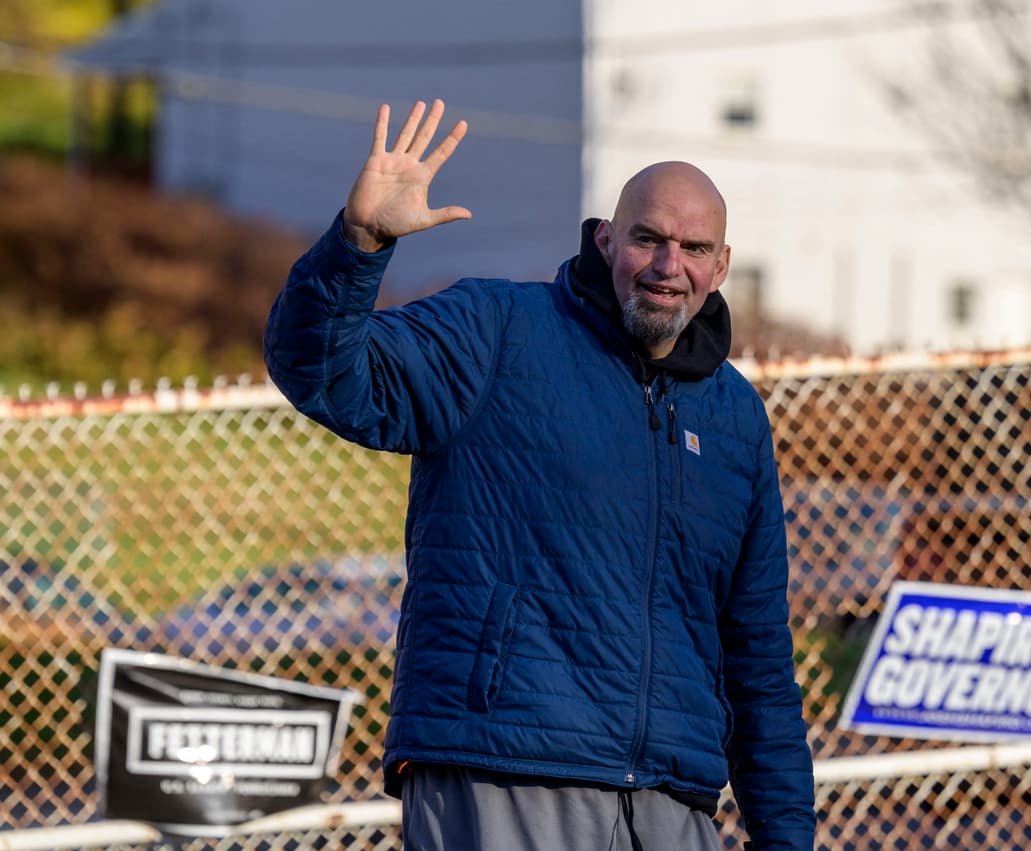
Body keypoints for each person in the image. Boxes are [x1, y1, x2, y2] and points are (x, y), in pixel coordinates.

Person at [264, 99, 816, 850]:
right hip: (504, 770)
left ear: (720, 267)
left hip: (673, 801)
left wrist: (786, 837)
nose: (667, 266)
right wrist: (358, 244)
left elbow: (757, 658)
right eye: (647, 238)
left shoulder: (733, 418)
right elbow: (323, 372)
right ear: (604, 238)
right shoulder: (497, 328)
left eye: (693, 248)